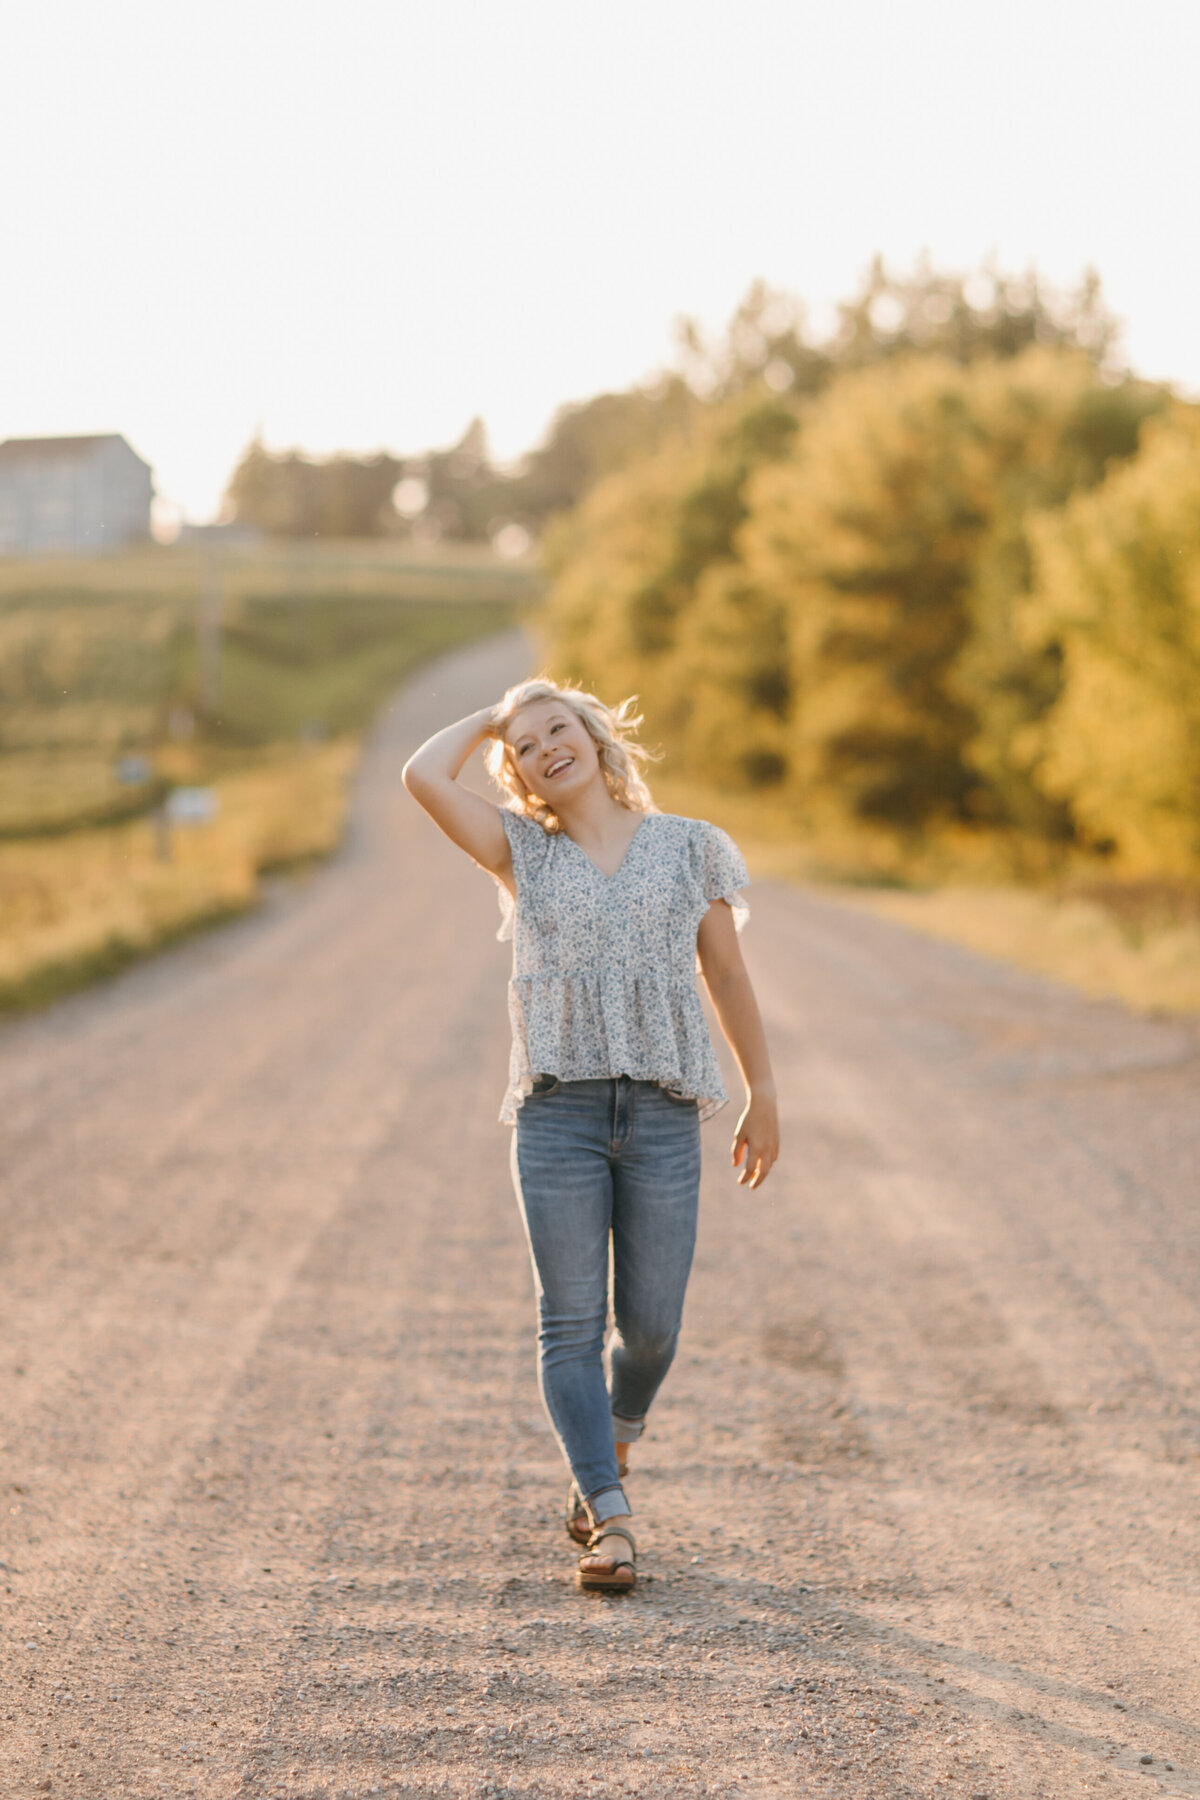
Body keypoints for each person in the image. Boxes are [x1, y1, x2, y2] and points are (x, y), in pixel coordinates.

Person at [402, 677, 779, 1592]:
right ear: (520, 776)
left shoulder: (691, 848)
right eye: (525, 746)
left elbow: (725, 975)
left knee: (650, 1330)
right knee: (568, 1324)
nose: (545, 748)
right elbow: (421, 773)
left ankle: (609, 1440)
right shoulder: (520, 851)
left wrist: (761, 1089)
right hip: (557, 1114)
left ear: (595, 737)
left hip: (659, 1113)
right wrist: (495, 714)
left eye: (557, 728)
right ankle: (609, 1514)